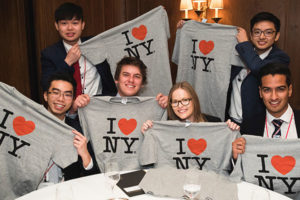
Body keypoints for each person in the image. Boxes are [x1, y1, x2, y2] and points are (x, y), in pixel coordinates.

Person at [40, 2, 117, 114]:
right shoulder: (49, 54)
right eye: (64, 23)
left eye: (75, 23)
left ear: (82, 25)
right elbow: (47, 86)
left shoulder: (96, 44)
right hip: (69, 113)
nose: (70, 28)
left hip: (100, 109)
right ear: (57, 26)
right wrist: (67, 63)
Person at [226, 12, 290, 125]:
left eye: (268, 32)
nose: (261, 37)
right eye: (257, 32)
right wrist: (187, 28)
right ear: (251, 35)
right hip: (230, 122)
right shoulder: (238, 53)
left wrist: (245, 44)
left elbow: (261, 70)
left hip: (257, 125)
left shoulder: (281, 58)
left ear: (277, 36)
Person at [39, 73, 99, 187]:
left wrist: (85, 155)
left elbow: (93, 175)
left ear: (72, 100)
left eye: (67, 95)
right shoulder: (31, 124)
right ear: (46, 95)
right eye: (56, 93)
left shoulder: (78, 130)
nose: (61, 99)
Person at [232, 63, 300, 160]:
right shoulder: (249, 126)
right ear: (260, 92)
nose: (274, 97)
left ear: (290, 90)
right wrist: (236, 158)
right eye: (267, 90)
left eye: (280, 89)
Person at [141, 81, 239, 133]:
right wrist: (148, 133)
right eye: (175, 102)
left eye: (185, 100)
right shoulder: (167, 127)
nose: (180, 106)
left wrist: (231, 132)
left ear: (194, 100)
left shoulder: (214, 123)